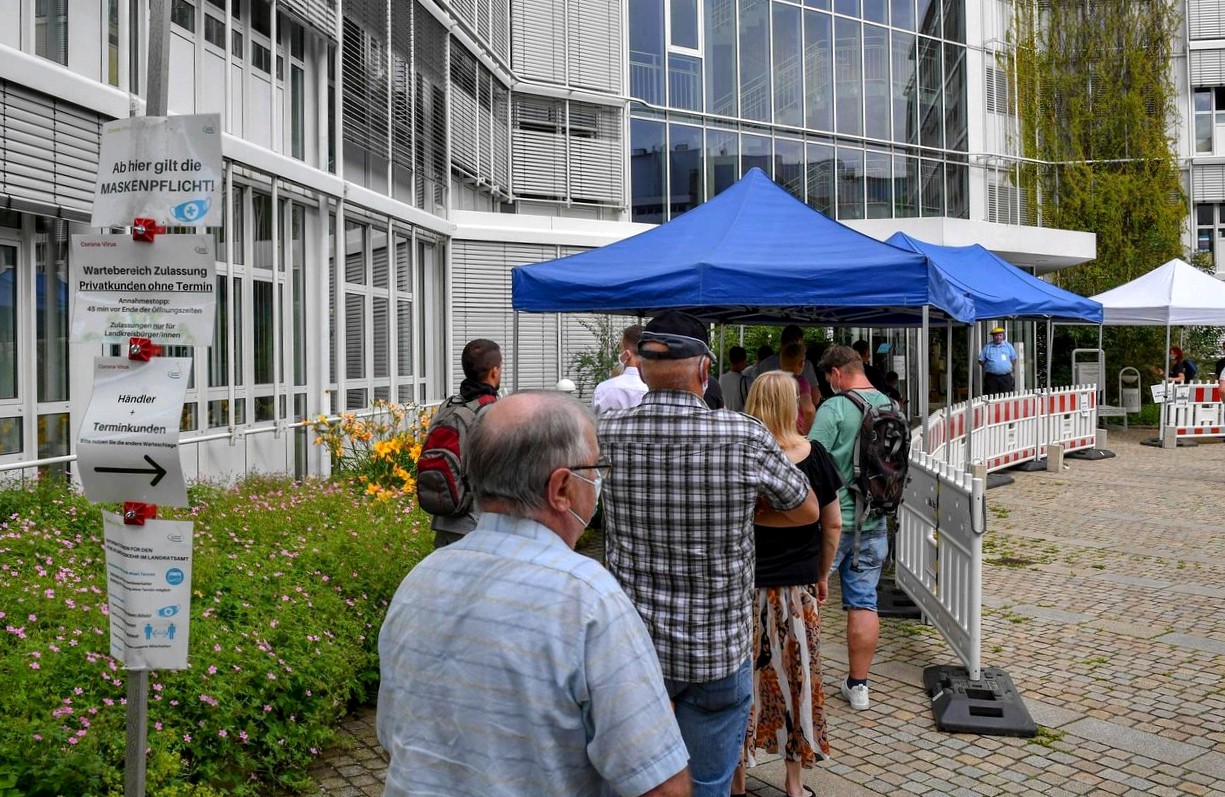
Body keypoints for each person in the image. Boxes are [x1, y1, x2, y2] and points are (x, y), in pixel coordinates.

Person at [377, 391, 692, 797]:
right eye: (595, 469)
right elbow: (662, 787)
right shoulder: (588, 598)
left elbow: (394, 738)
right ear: (561, 488)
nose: (598, 483)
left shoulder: (419, 580)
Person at [599, 310, 820, 797]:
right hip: (716, 651)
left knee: (634, 784)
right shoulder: (742, 436)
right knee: (708, 786)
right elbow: (806, 511)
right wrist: (747, 513)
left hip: (635, 652)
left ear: (639, 367)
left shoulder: (609, 431)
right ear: (705, 371)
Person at [732, 372, 843, 797]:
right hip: (795, 589)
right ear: (794, 405)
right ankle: (794, 785)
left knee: (743, 685)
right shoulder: (814, 456)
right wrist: (821, 573)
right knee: (798, 681)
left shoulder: (740, 454)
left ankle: (738, 782)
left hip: (741, 589)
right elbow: (832, 523)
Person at [809, 344, 895, 712]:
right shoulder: (892, 407)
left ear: (836, 374)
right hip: (873, 519)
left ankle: (805, 678)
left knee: (809, 598)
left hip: (831, 520)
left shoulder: (834, 408)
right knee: (864, 602)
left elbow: (812, 462)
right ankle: (859, 686)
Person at [426, 338, 501, 549]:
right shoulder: (492, 411)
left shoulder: (449, 405)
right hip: (478, 523)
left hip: (446, 517)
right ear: (494, 371)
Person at [754, 326, 821, 408]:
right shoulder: (805, 366)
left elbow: (755, 395)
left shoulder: (765, 364)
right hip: (795, 417)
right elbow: (815, 398)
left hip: (768, 416)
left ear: (781, 342)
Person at [593, 325, 648, 415]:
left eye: (620, 349)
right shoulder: (654, 388)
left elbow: (594, 424)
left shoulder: (603, 390)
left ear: (626, 354)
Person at [779, 342, 816, 435]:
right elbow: (809, 410)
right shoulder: (800, 382)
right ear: (801, 363)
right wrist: (807, 435)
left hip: (778, 431)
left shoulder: (775, 381)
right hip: (796, 432)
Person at [977, 326, 1017, 395]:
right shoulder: (987, 347)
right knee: (991, 397)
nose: (998, 337)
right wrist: (989, 366)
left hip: (1005, 377)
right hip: (991, 378)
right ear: (993, 337)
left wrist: (1006, 367)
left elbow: (1014, 359)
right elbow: (980, 360)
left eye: (1000, 335)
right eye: (996, 335)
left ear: (1003, 336)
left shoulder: (1008, 346)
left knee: (1006, 396)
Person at [720, 345, 752, 412]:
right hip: (741, 419)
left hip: (725, 417)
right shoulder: (747, 381)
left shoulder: (722, 379)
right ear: (742, 361)